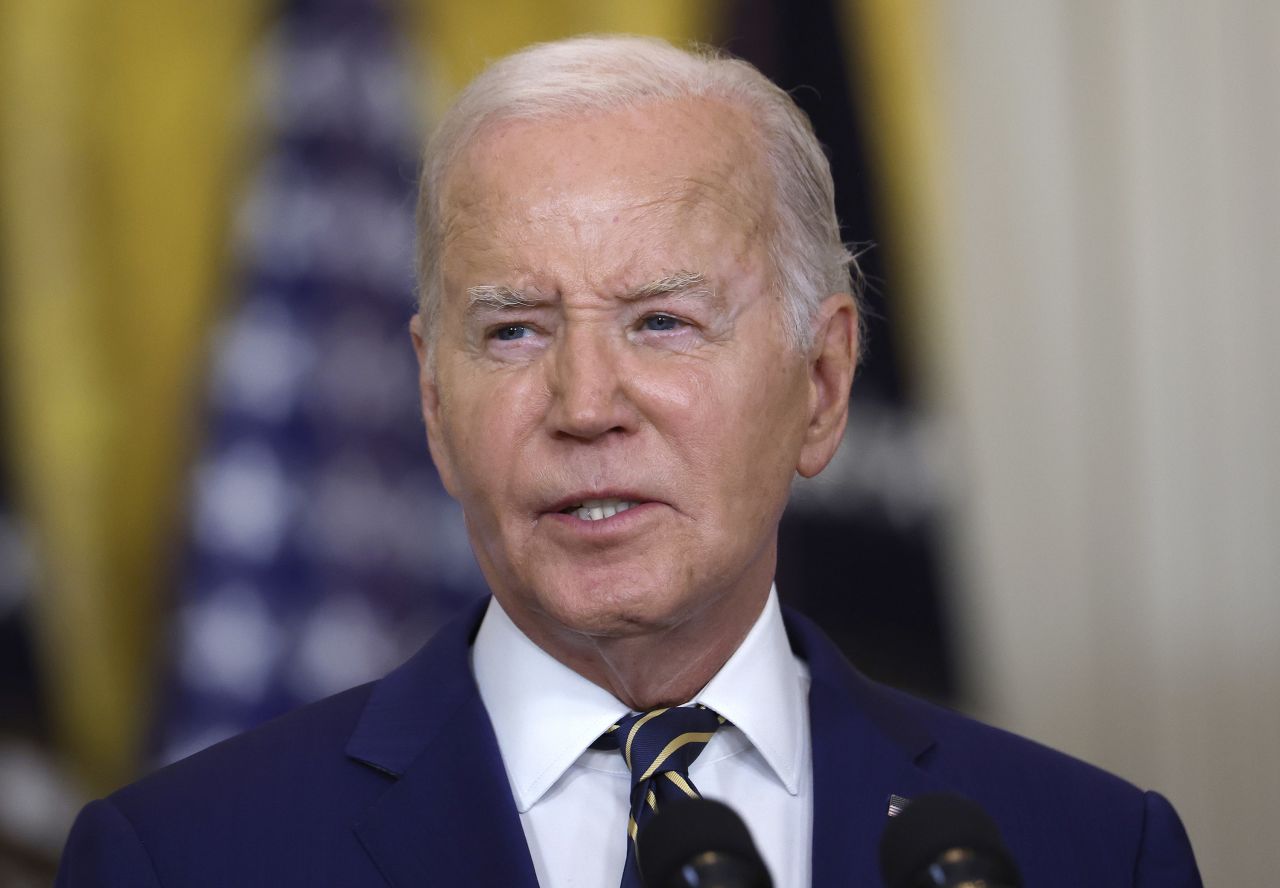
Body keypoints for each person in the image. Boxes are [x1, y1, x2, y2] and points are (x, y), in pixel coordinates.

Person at [56, 35, 1201, 888]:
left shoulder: (1084, 853)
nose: (584, 405)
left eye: (661, 321)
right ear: (431, 402)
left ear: (821, 383)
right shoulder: (186, 858)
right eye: (513, 330)